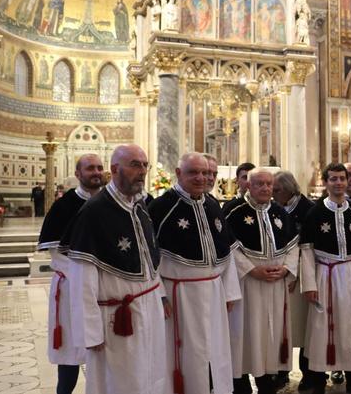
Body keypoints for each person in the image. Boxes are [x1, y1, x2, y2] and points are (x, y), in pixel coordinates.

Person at [63, 144, 166, 394]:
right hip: (115, 318)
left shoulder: (139, 206)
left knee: (149, 374)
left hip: (148, 308)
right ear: (114, 169)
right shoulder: (94, 212)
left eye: (145, 165)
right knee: (120, 381)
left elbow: (148, 258)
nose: (142, 171)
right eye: (134, 165)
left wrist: (160, 295)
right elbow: (81, 278)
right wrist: (90, 332)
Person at [148, 152, 242, 394]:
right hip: (179, 294)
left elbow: (227, 251)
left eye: (205, 172)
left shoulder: (211, 203)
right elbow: (148, 258)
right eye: (193, 172)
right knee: (185, 353)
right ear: (178, 174)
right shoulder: (160, 207)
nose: (201, 178)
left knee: (215, 349)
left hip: (213, 291)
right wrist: (159, 295)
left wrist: (229, 292)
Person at [300, 163, 351, 394]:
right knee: (322, 328)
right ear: (326, 183)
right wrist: (308, 284)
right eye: (333, 179)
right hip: (325, 274)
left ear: (348, 182)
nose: (338, 183)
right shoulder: (315, 213)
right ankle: (318, 379)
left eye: (342, 179)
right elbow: (306, 251)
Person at [225, 168, 300, 394]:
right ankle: (241, 383)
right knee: (245, 333)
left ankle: (268, 380)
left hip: (275, 284)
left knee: (271, 333)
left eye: (270, 185)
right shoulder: (234, 211)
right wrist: (251, 270)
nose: (266, 189)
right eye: (260, 184)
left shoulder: (279, 212)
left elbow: (294, 245)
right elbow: (227, 248)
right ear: (249, 186)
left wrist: (286, 268)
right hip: (247, 284)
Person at [37, 154, 104, 394]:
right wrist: (88, 277)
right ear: (78, 174)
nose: (96, 172)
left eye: (99, 168)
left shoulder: (110, 204)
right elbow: (57, 254)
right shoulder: (63, 206)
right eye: (90, 168)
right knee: (70, 352)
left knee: (104, 351)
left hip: (106, 290)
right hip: (71, 289)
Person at [271, 170, 314, 389]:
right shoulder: (272, 209)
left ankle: (308, 373)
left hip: (301, 275)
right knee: (281, 327)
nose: (272, 193)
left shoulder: (309, 209)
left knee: (305, 327)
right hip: (279, 274)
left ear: (289, 188)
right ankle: (281, 371)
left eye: (276, 189)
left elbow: (309, 247)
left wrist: (295, 271)